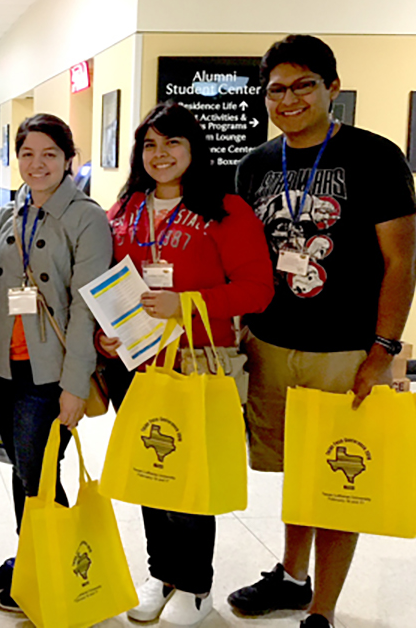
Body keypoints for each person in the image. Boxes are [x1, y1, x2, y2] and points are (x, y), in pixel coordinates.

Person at [226, 35, 416, 628]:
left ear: (332, 88)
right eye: (276, 89)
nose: (288, 99)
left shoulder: (375, 156)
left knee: (335, 473)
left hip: (346, 349)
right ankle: (290, 577)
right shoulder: (255, 164)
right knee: (292, 470)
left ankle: (323, 608)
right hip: (272, 344)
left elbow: (402, 263)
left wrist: (383, 350)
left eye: (304, 84)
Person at [98, 102, 274, 627]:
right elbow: (110, 283)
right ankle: (161, 573)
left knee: (190, 480)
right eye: (150, 144)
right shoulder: (126, 207)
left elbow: (258, 290)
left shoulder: (225, 208)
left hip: (198, 365)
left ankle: (196, 585)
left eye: (172, 142)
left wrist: (187, 300)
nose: (161, 154)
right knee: (152, 471)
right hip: (137, 365)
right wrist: (105, 334)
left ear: (193, 147)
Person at [0, 113, 112, 615]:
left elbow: (85, 309)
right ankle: (31, 552)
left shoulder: (86, 218)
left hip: (50, 374)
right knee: (23, 469)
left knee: (40, 472)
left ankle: (58, 566)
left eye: (49, 154)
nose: (37, 164)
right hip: (4, 369)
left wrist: (74, 386)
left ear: (69, 159)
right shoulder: (10, 214)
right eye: (27, 153)